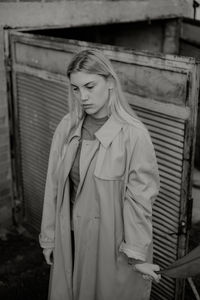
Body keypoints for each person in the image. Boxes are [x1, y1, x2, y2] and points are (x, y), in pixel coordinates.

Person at [39, 49, 161, 300]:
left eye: (89, 86)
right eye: (75, 88)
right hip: (69, 240)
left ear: (110, 83)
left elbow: (139, 201)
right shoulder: (67, 126)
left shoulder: (134, 135)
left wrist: (136, 254)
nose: (82, 96)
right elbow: (53, 186)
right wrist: (50, 238)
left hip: (109, 248)